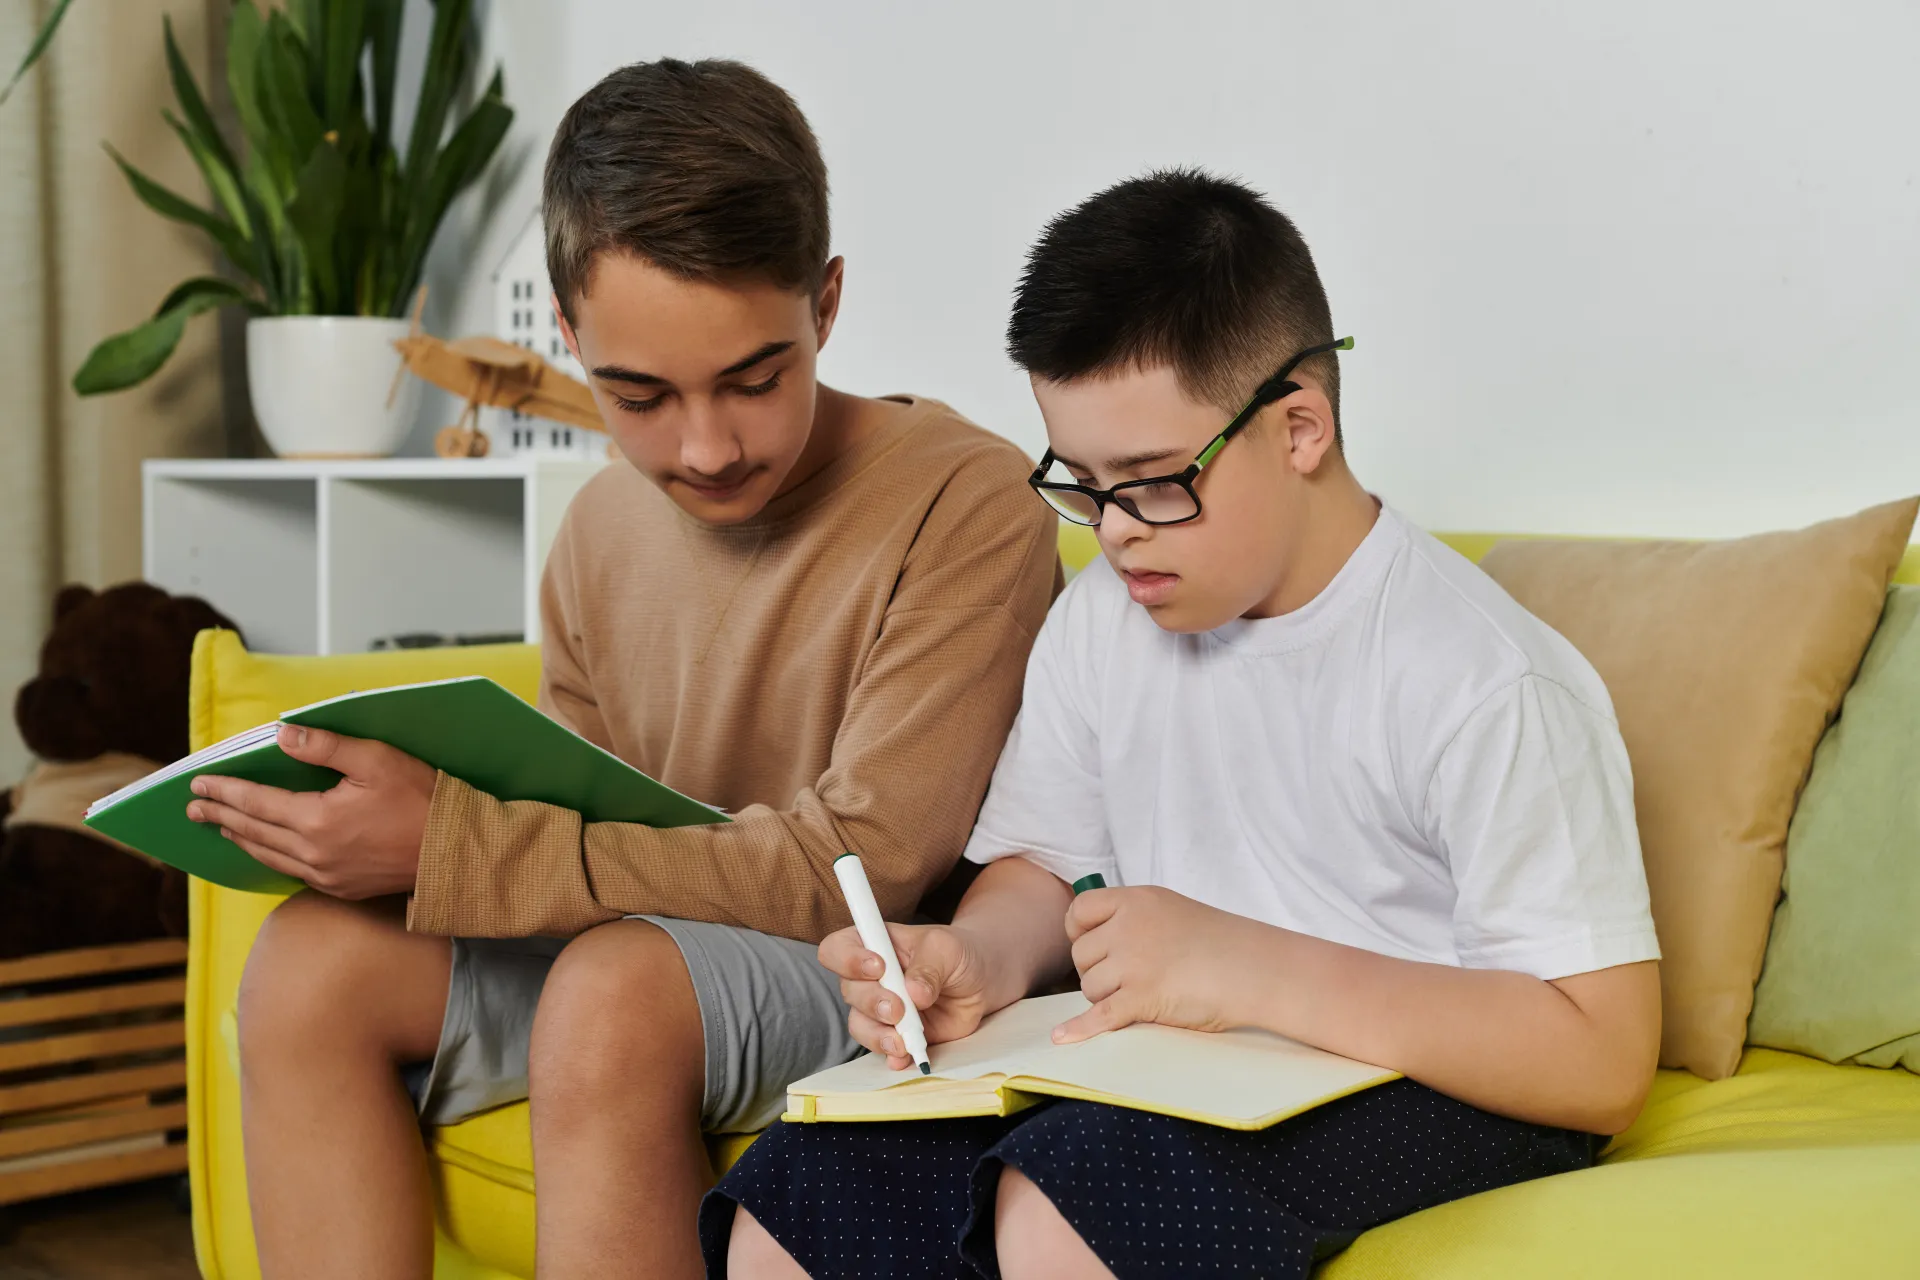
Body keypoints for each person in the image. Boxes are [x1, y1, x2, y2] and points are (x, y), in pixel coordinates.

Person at [707, 169, 1663, 1279]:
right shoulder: (1103, 618)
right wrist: (975, 958)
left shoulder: (1483, 678)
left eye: (1155, 481)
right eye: (1083, 482)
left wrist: (1245, 967)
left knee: (1070, 1199)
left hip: (1445, 1082)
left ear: (1300, 427)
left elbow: (1601, 1056)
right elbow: (1042, 864)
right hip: (1190, 1070)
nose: (1114, 531)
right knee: (803, 1188)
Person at [189, 59, 1059, 1280]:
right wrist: (402, 827)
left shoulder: (967, 500)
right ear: (568, 336)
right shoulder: (600, 524)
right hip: (647, 937)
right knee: (307, 961)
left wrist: (462, 850)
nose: (705, 446)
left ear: (826, 302)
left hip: (867, 966)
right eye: (638, 394)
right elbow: (573, 805)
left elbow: (864, 861)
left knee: (616, 988)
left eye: (755, 379)